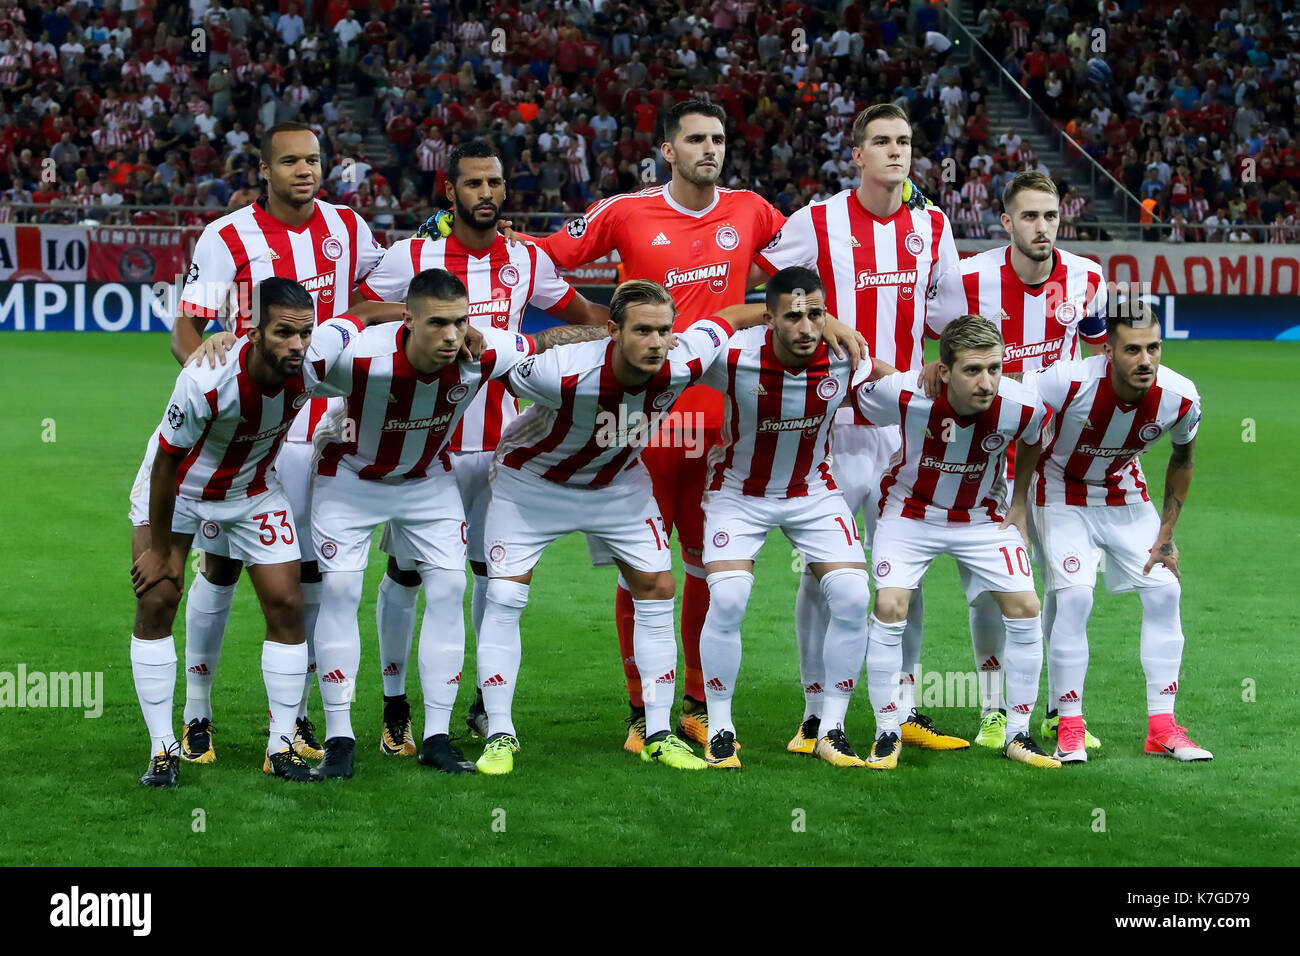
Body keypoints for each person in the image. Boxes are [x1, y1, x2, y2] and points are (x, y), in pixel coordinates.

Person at [473, 280, 863, 774]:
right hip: (532, 484)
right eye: (642, 332)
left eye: (663, 331)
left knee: (657, 587)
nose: (656, 343)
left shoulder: (684, 359)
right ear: (613, 331)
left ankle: (657, 732)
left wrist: (824, 320)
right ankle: (500, 734)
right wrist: (511, 338)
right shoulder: (558, 374)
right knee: (506, 597)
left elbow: (733, 317)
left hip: (617, 485)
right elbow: (500, 354)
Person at [504, 99, 787, 755]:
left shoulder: (752, 210)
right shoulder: (625, 212)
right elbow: (540, 256)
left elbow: (801, 271)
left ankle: (692, 702)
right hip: (640, 430)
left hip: (723, 429)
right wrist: (591, 322)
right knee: (643, 574)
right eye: (695, 139)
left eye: (718, 138)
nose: (709, 149)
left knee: (710, 571)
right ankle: (641, 711)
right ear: (668, 150)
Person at [129, 121, 384, 767]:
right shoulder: (228, 236)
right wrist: (207, 372)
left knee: (305, 580)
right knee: (216, 571)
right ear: (264, 170)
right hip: (236, 426)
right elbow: (186, 323)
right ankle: (196, 715)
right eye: (291, 161)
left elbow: (374, 299)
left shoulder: (350, 229)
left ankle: (292, 725)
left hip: (319, 428)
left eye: (315, 160)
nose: (305, 171)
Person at [347, 140, 608, 757]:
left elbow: (586, 314)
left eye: (494, 183)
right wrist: (429, 315)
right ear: (450, 191)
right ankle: (395, 707)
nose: (486, 194)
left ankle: (488, 704)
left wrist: (643, 320)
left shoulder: (525, 256)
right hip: (426, 449)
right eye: (473, 184)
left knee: (497, 579)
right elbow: (358, 309)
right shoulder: (413, 254)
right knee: (409, 574)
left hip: (500, 452)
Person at [306, 268, 601, 777]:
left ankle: (437, 738)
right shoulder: (361, 357)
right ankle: (339, 740)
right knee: (341, 590)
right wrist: (347, 320)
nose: (451, 336)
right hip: (350, 479)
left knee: (448, 588)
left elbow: (544, 341)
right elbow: (300, 366)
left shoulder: (479, 351)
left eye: (460, 322)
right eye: (438, 323)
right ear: (408, 319)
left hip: (426, 479)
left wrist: (611, 330)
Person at [753, 102, 969, 754]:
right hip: (831, 424)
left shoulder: (932, 224)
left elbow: (949, 314)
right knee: (824, 572)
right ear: (857, 154)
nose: (895, 151)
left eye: (903, 141)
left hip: (903, 429)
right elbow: (770, 291)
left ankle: (901, 705)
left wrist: (940, 363)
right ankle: (815, 711)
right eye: (881, 141)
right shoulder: (816, 221)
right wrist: (817, 329)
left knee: (908, 571)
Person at [129, 278, 360, 786]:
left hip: (253, 490)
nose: (297, 345)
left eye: (305, 333)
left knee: (287, 603)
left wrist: (413, 313)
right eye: (283, 333)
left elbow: (361, 313)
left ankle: (280, 745)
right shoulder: (206, 379)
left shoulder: (314, 361)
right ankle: (161, 748)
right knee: (158, 599)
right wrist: (164, 551)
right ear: (252, 332)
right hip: (179, 490)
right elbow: (166, 465)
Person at [697, 267, 894, 769]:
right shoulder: (733, 355)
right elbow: (704, 328)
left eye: (816, 316)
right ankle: (720, 726)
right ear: (769, 320)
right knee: (729, 597)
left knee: (852, 595)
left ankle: (830, 728)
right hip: (739, 492)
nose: (807, 328)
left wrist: (935, 379)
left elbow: (892, 380)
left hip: (813, 491)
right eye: (793, 317)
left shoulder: (844, 358)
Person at [851, 314, 1059, 770]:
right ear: (944, 371)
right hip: (909, 513)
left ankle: (1018, 734)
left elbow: (1033, 438)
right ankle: (887, 730)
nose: (986, 383)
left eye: (994, 369)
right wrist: (901, 371)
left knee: (1026, 607)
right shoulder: (906, 393)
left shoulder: (1021, 403)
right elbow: (859, 396)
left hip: (982, 518)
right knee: (889, 607)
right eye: (972, 370)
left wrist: (1019, 502)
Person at [1010, 304, 1211, 763]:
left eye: (1154, 348)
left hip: (1123, 493)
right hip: (1058, 491)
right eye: (1133, 349)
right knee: (1075, 596)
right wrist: (1018, 502)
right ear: (1107, 350)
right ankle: (1069, 724)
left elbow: (1183, 461)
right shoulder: (1067, 381)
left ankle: (1162, 727)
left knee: (1164, 591)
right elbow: (1023, 427)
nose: (1146, 360)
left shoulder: (1180, 397)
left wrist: (1166, 533)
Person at [956, 170, 1107, 748]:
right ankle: (993, 709)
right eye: (1029, 216)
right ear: (1006, 221)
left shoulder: (1087, 276)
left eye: (1050, 216)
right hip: (986, 455)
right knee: (988, 591)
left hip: (1056, 456)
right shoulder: (970, 280)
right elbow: (941, 348)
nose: (1041, 227)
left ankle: (1058, 711)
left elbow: (1097, 356)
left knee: (1068, 588)